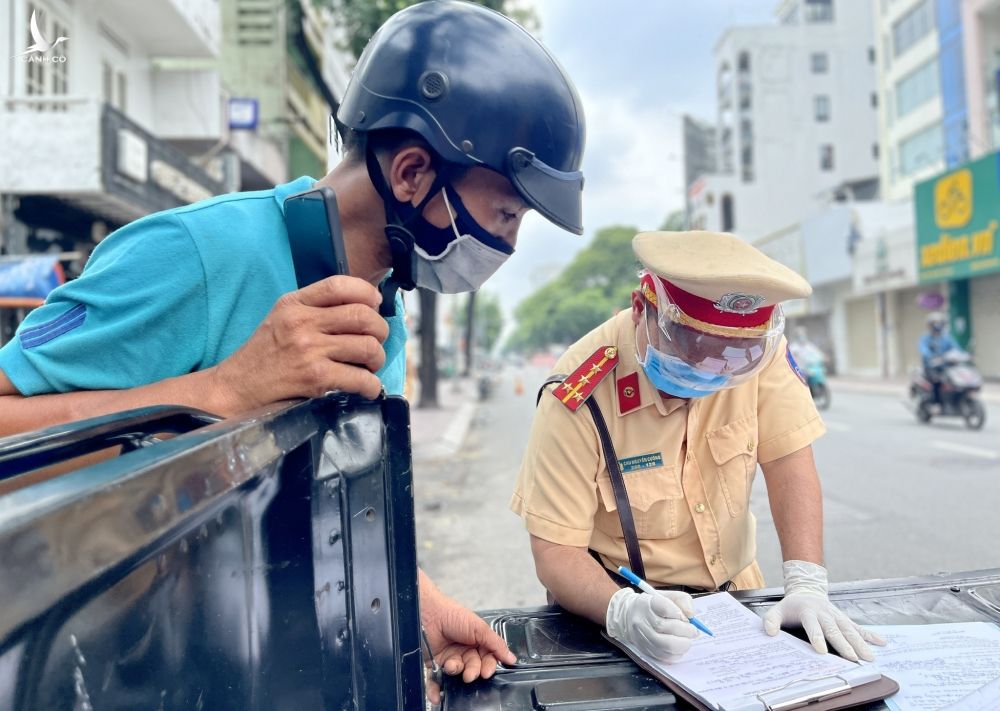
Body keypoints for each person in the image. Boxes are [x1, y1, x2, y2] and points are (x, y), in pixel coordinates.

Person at [0, 1, 585, 694]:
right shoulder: (195, 252)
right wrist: (218, 394)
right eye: (507, 213)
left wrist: (416, 599)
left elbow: (324, 499)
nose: (508, 245)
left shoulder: (379, 302)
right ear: (411, 172)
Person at [511, 230, 885, 666]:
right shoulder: (581, 390)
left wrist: (806, 583)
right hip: (618, 607)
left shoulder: (759, 352)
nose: (715, 368)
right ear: (640, 310)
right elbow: (556, 550)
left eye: (734, 356)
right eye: (694, 348)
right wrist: (622, 611)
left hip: (738, 602)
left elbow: (791, 467)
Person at [919, 311, 960, 408]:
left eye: (940, 323)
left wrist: (961, 355)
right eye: (935, 323)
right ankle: (936, 403)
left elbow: (956, 348)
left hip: (946, 367)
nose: (937, 326)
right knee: (937, 381)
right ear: (930, 325)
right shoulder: (925, 338)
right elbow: (923, 350)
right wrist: (932, 357)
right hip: (931, 368)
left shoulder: (947, 338)